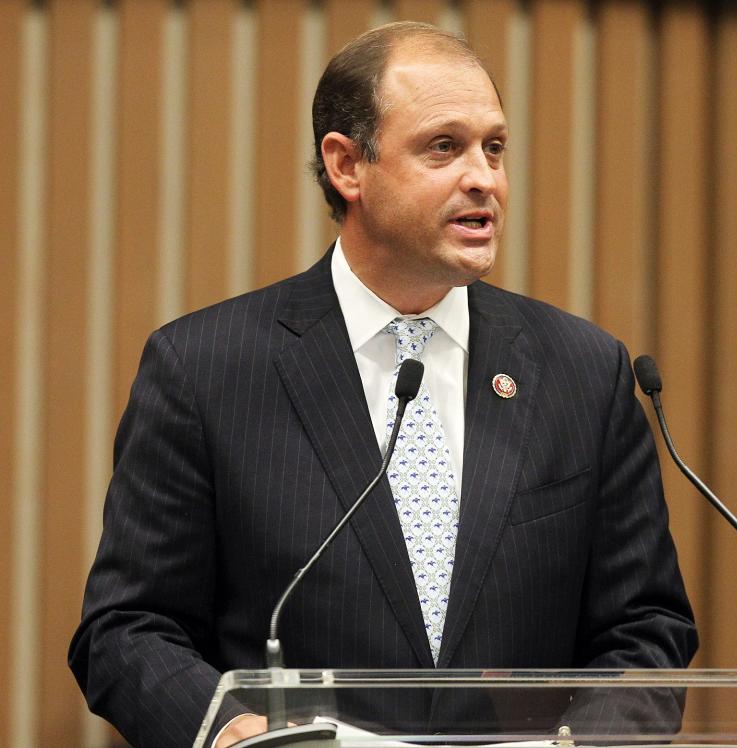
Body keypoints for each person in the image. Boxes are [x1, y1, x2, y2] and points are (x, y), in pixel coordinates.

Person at [68, 22, 697, 748]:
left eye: (494, 147)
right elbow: (127, 628)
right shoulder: (206, 368)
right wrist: (233, 732)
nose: (483, 178)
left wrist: (581, 744)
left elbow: (647, 629)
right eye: (444, 146)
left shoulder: (584, 372)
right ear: (346, 166)